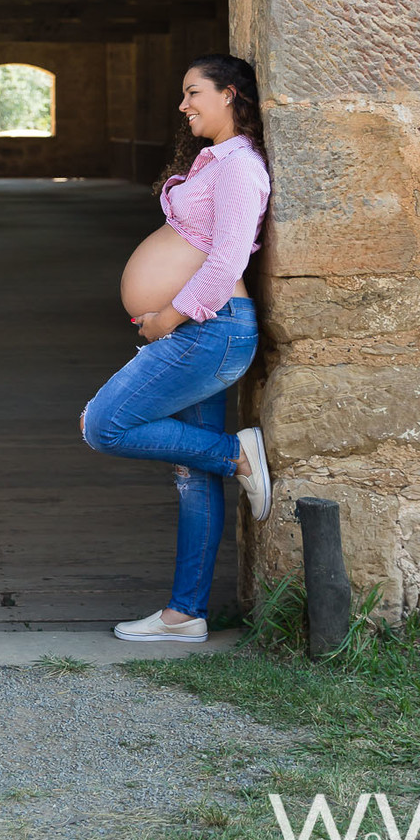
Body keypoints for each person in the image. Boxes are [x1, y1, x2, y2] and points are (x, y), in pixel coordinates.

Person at [80, 53, 272, 643]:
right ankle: (185, 614)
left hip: (209, 331)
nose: (184, 105)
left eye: (194, 93)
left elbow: (229, 257)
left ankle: (235, 454)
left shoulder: (240, 167)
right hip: (200, 331)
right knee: (192, 477)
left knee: (103, 425)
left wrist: (169, 315)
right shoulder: (215, 162)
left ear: (231, 95)